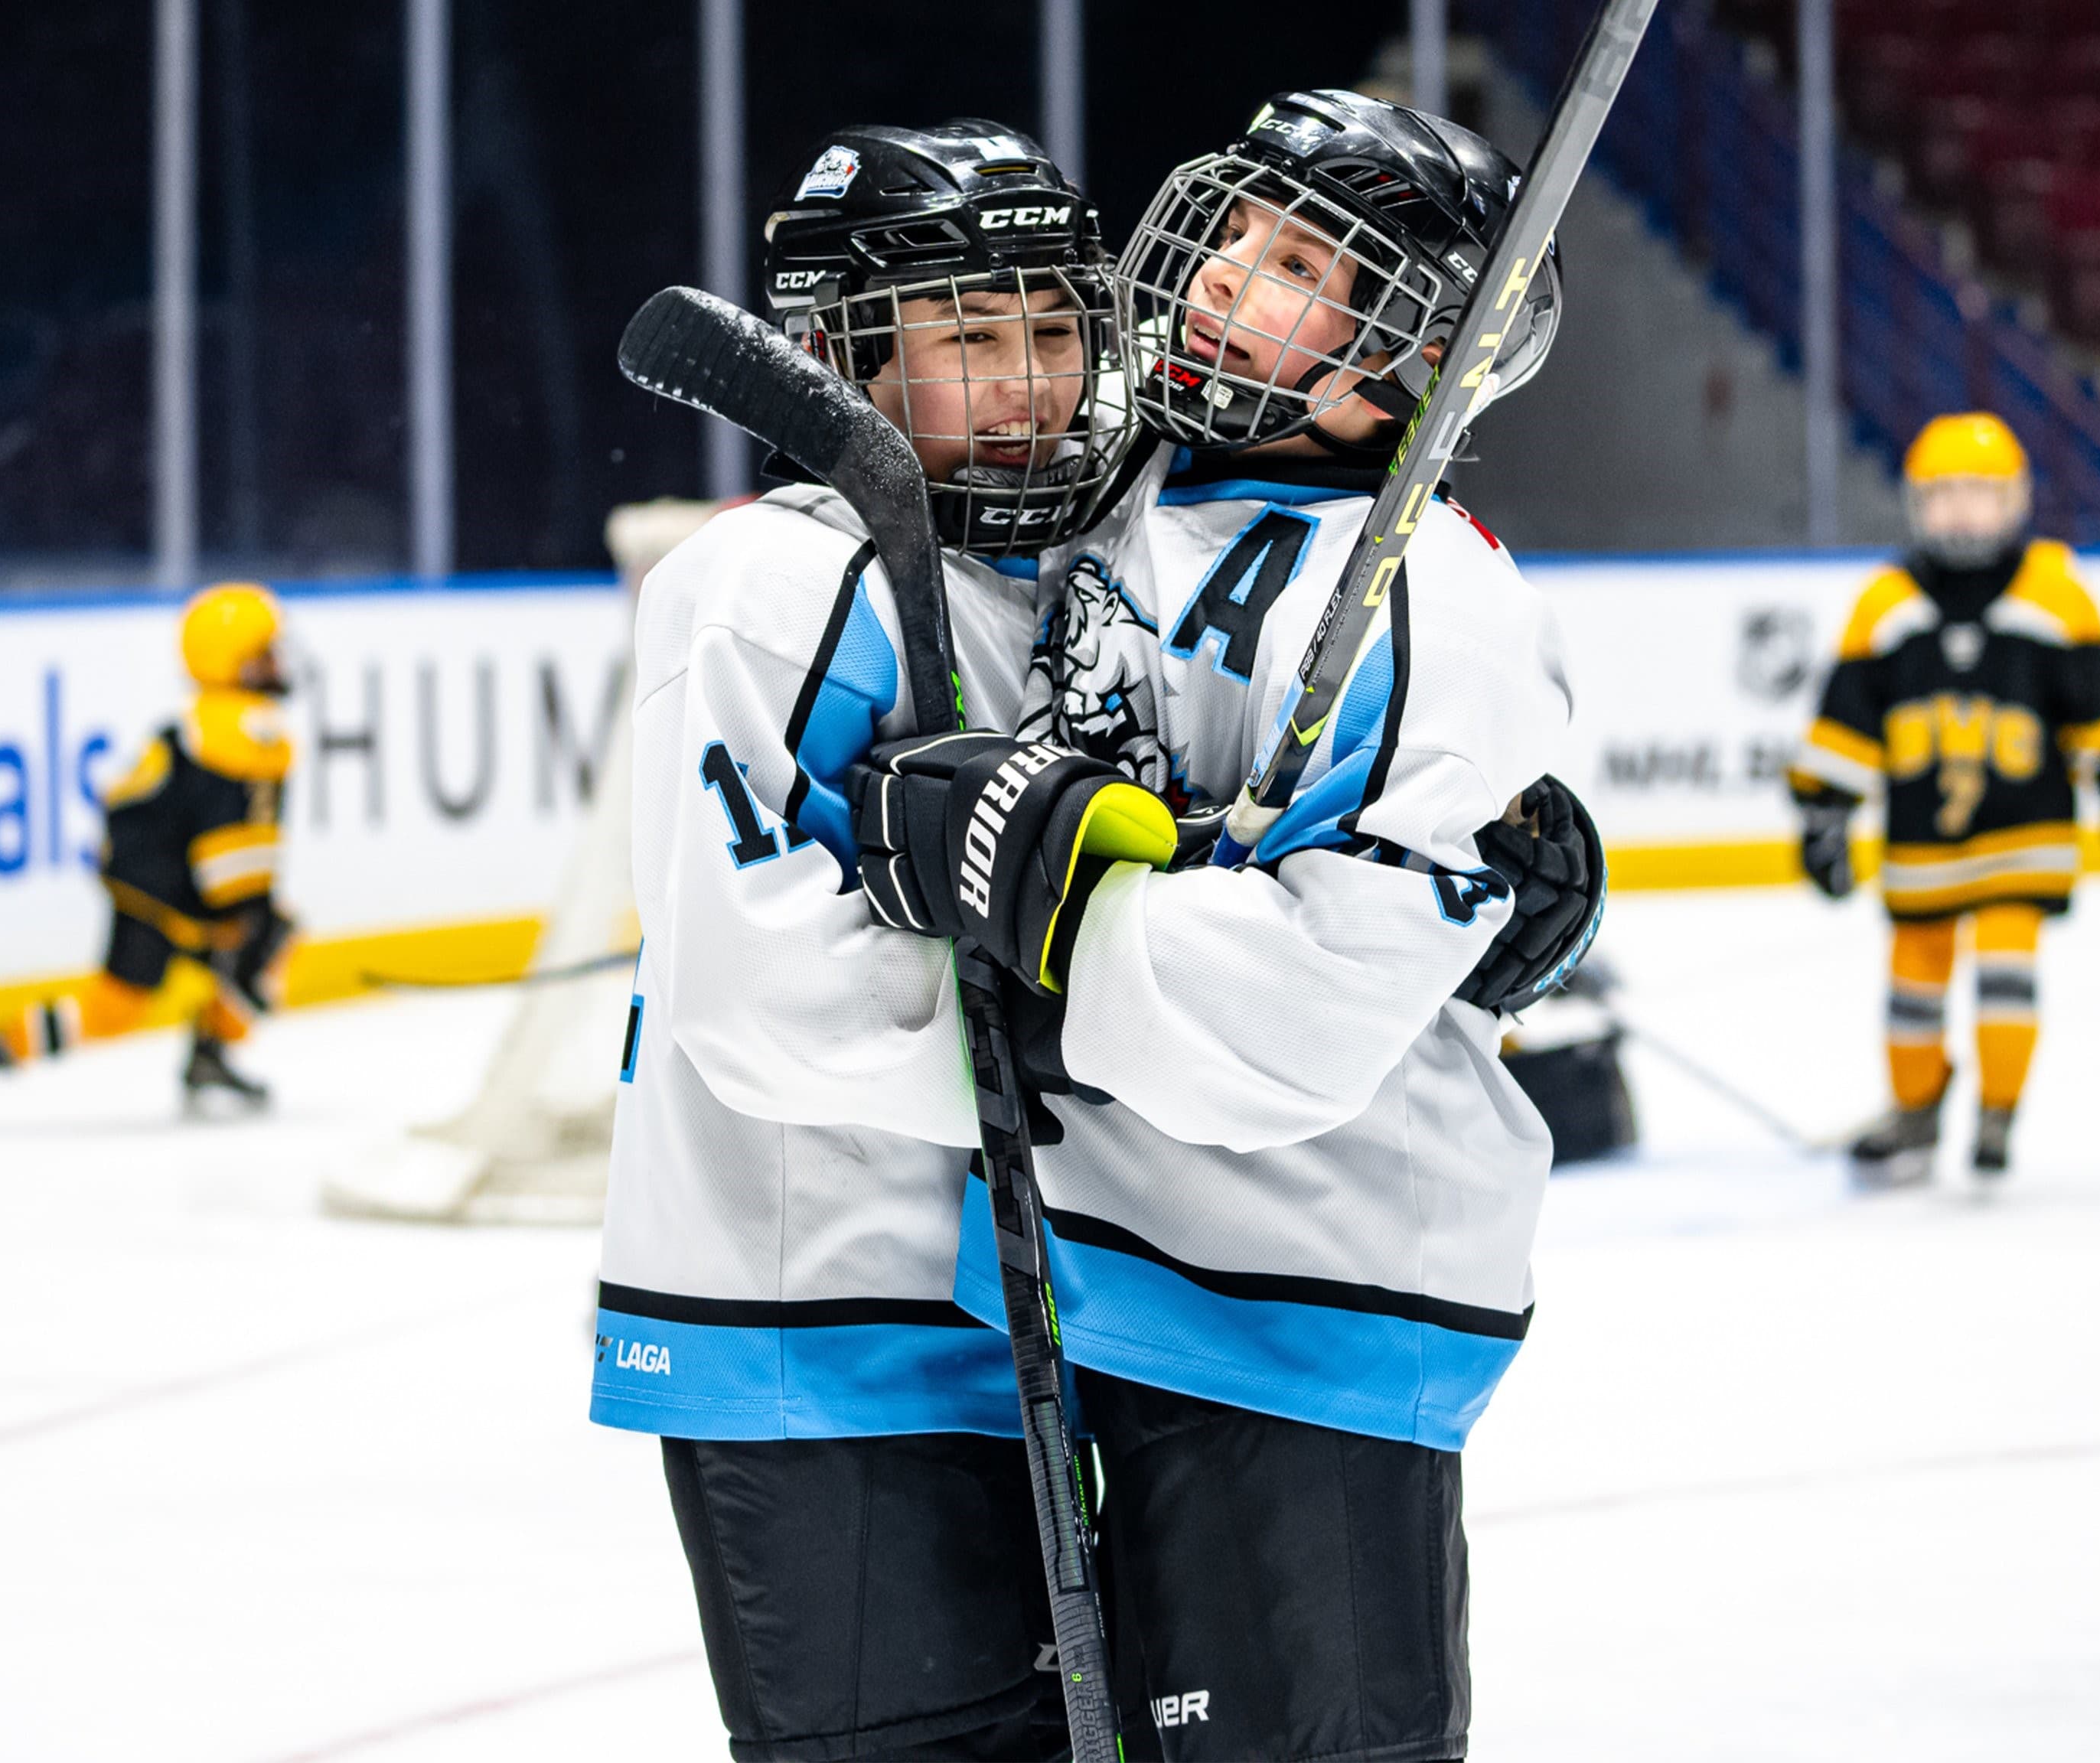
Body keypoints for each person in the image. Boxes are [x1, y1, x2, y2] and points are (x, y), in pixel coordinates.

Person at [846, 90, 1603, 1763]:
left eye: (1298, 269)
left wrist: (1052, 911)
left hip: (1305, 1298)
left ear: (1416, 355)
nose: (1220, 277)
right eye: (1239, 233)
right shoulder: (1133, 488)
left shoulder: (1427, 599)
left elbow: (1304, 1018)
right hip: (1097, 1276)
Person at [589, 123, 1136, 1762]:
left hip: (1035, 1323)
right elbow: (756, 989)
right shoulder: (767, 583)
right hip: (812, 1332)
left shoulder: (1064, 577)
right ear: (840, 351)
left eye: (1052, 327)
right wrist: (1099, 1037)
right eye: (968, 332)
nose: (1028, 380)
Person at [1788, 411, 2100, 1185]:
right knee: (1912, 984)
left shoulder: (2056, 596)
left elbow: (2098, 713)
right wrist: (1825, 813)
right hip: (1922, 846)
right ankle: (1915, 1107)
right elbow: (1846, 722)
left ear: (2016, 500)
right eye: (1942, 494)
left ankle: (1999, 1111)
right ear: (1915, 503)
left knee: (2007, 970)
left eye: (1979, 492)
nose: (1961, 510)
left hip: (2026, 836)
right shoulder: (1886, 605)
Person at [0, 582, 297, 1125]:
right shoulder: (237, 733)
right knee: (250, 949)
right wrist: (243, 918)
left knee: (125, 1004)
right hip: (162, 892)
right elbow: (228, 858)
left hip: (158, 886)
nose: (277, 662)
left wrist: (246, 916)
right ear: (233, 659)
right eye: (265, 652)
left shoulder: (213, 724)